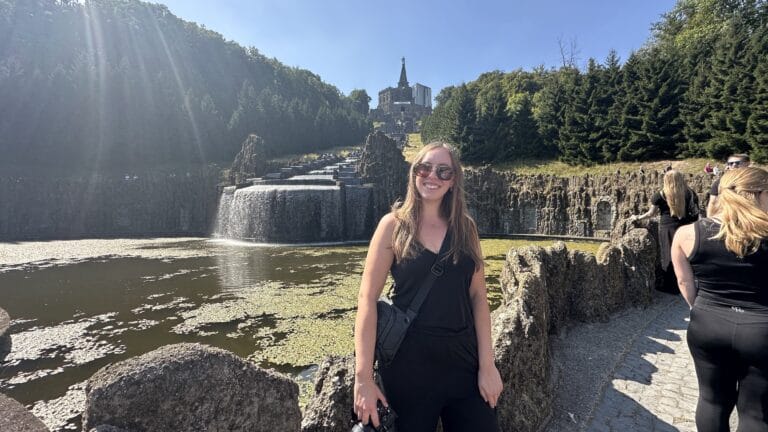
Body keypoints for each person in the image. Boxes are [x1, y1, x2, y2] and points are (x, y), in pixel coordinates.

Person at [353, 142, 502, 431]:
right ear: (414, 173)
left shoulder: (465, 228)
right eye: (425, 167)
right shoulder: (393, 226)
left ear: (453, 180)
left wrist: (487, 365)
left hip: (463, 363)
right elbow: (367, 299)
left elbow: (479, 298)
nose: (432, 176)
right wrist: (363, 379)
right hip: (408, 368)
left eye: (443, 171)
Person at [670, 167, 768, 431]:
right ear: (757, 194)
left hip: (708, 324)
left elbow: (685, 283)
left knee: (712, 400)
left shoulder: (688, 234)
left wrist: (702, 308)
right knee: (756, 412)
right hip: (761, 330)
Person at [629, 169, 699, 293]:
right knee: (686, 255)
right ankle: (687, 284)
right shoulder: (690, 193)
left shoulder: (660, 195)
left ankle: (670, 286)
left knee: (668, 256)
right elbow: (696, 213)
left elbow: (651, 214)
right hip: (686, 227)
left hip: (667, 228)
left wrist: (637, 217)